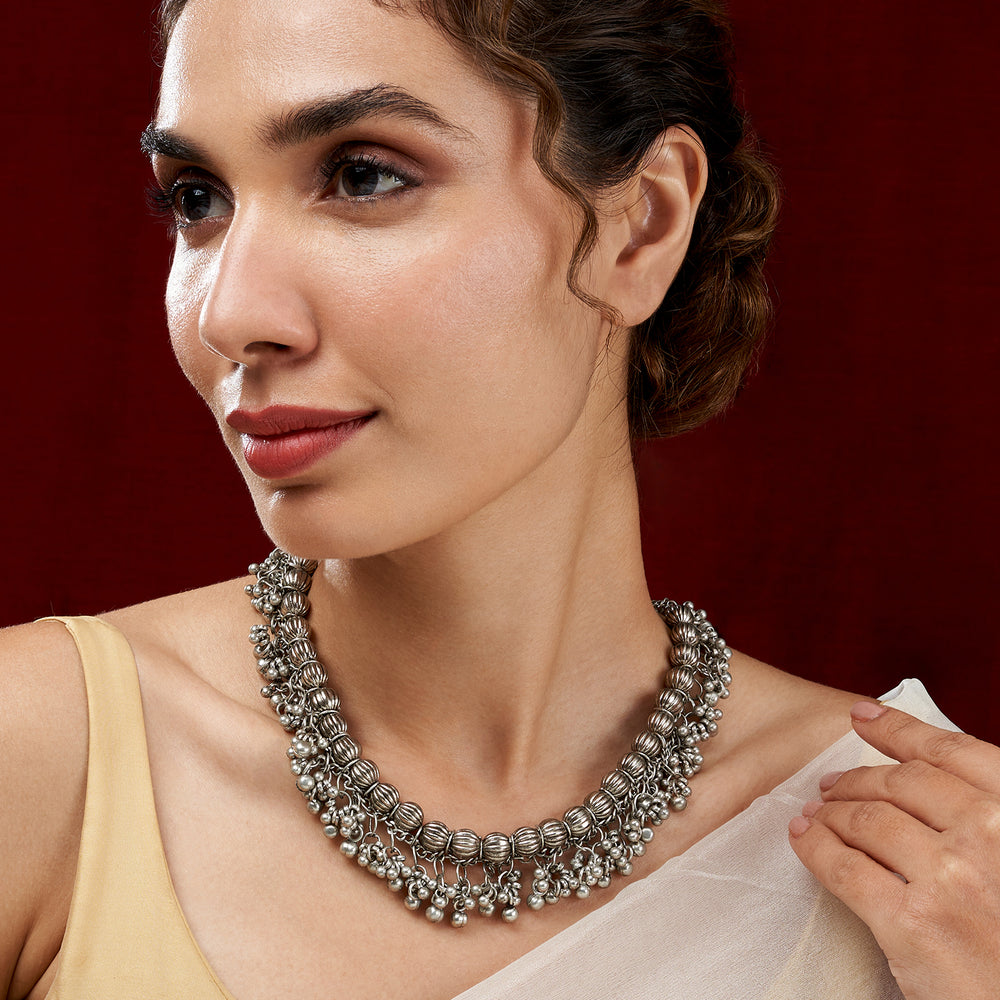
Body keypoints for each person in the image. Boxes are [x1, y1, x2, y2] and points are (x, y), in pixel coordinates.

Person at [1, 1, 997, 998]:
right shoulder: (42, 757)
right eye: (197, 199)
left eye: (362, 176)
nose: (232, 314)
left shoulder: (933, 859)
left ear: (641, 227)